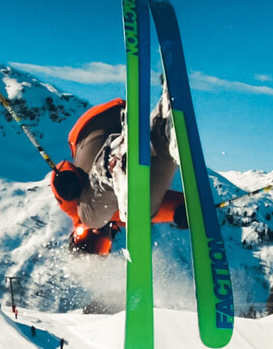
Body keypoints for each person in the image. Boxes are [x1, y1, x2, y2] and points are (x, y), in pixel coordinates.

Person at [50, 95, 188, 255]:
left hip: (92, 129)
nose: (96, 234)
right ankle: (165, 130)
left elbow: (61, 174)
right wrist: (182, 210)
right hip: (130, 129)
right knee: (142, 211)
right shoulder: (123, 215)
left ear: (76, 233)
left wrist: (66, 182)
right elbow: (163, 207)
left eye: (86, 239)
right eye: (101, 246)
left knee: (93, 219)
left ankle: (112, 164)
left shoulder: (76, 209)